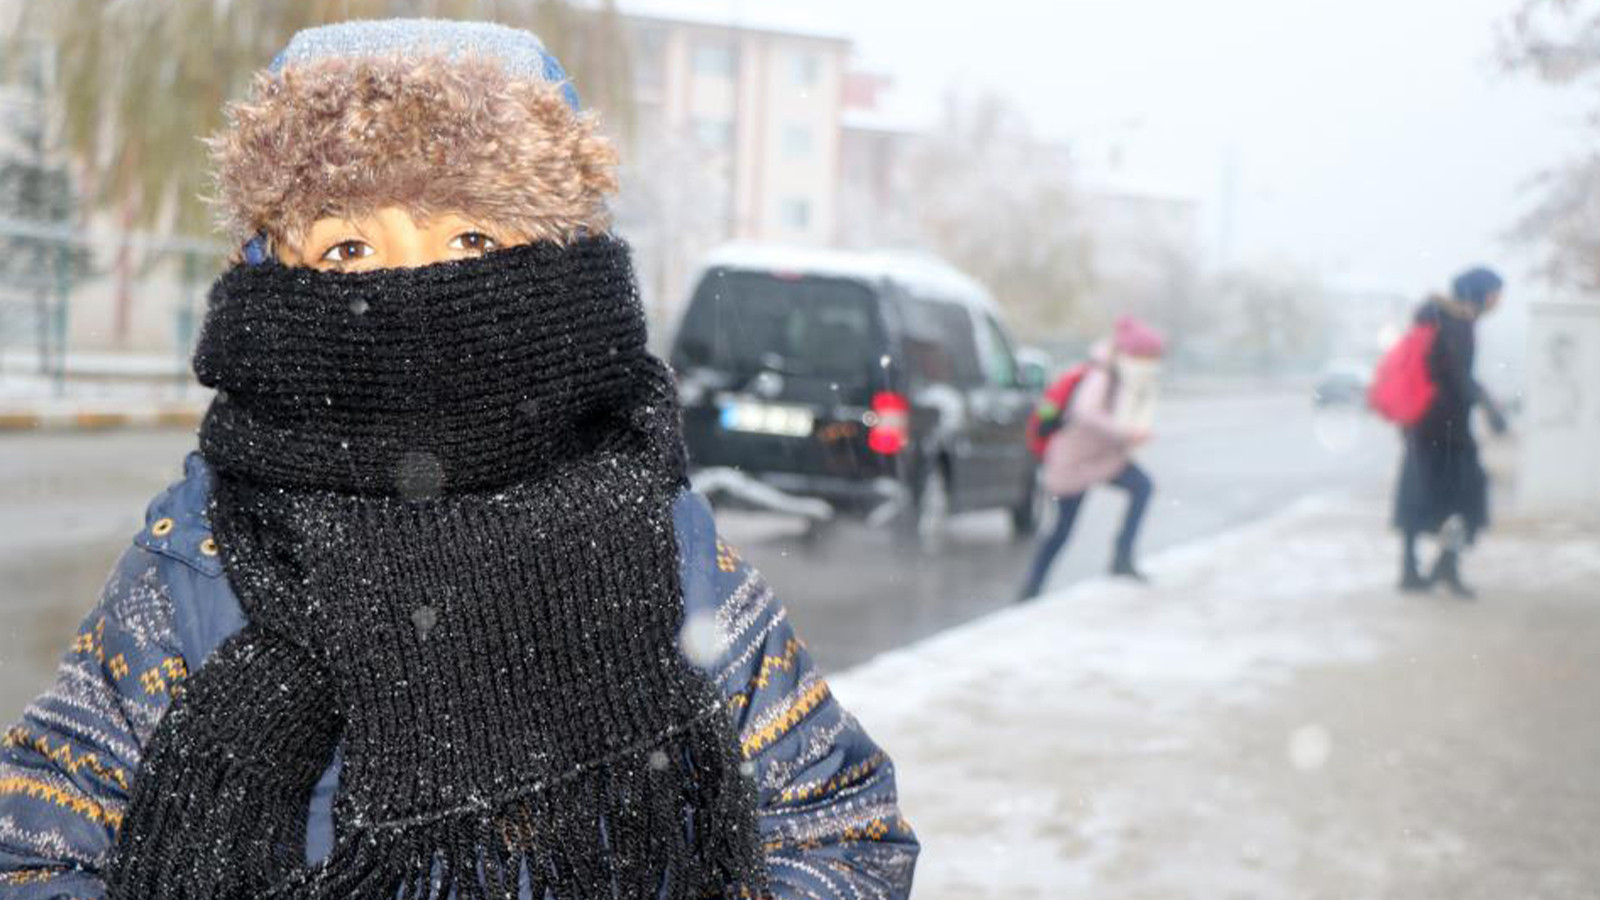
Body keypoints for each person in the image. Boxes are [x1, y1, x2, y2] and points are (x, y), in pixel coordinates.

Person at [0, 20, 916, 900]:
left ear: (559, 258)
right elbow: (35, 843)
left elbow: (837, 823)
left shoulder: (652, 536)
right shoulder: (203, 552)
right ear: (274, 273)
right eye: (350, 248)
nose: (417, 289)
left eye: (471, 239)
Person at [1018, 316, 1166, 601]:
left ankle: (1121, 557)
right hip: (1073, 462)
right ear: (1130, 353)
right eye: (1146, 355)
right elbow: (1086, 413)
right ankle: (1031, 588)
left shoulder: (1121, 374)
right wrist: (1125, 433)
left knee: (1142, 487)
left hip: (1101, 459)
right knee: (1061, 530)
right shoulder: (1102, 374)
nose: (1149, 362)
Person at [1395, 267, 1508, 598]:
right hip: (1447, 428)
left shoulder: (1435, 317)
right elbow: (1458, 376)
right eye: (1496, 292)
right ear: (1480, 291)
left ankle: (1410, 569)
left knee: (1420, 494)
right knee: (1465, 499)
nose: (1499, 300)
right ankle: (1447, 563)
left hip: (1422, 423)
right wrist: (1488, 407)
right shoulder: (1458, 323)